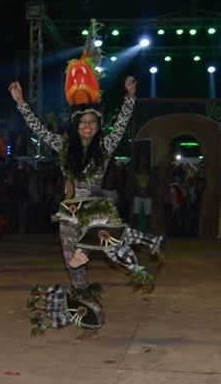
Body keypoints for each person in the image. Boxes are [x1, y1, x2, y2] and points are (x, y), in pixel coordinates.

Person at [9, 29, 161, 338]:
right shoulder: (64, 145)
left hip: (94, 211)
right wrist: (22, 102)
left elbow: (121, 126)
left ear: (97, 125)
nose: (88, 127)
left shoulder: (105, 147)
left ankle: (129, 255)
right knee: (74, 266)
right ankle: (90, 317)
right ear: (76, 125)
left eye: (92, 122)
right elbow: (39, 129)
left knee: (105, 249)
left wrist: (130, 98)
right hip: (68, 214)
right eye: (83, 123)